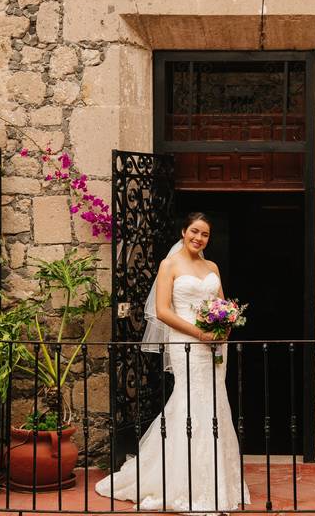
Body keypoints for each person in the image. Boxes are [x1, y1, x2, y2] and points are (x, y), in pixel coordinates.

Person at [95, 213, 250, 512]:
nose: (199, 238)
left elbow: (222, 304)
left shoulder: (212, 267)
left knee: (215, 403)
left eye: (205, 234)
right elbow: (163, 311)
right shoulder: (170, 265)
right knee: (190, 402)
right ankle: (185, 481)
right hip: (186, 340)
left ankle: (218, 480)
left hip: (215, 343)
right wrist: (198, 333)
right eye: (194, 231)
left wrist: (225, 326)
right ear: (183, 231)